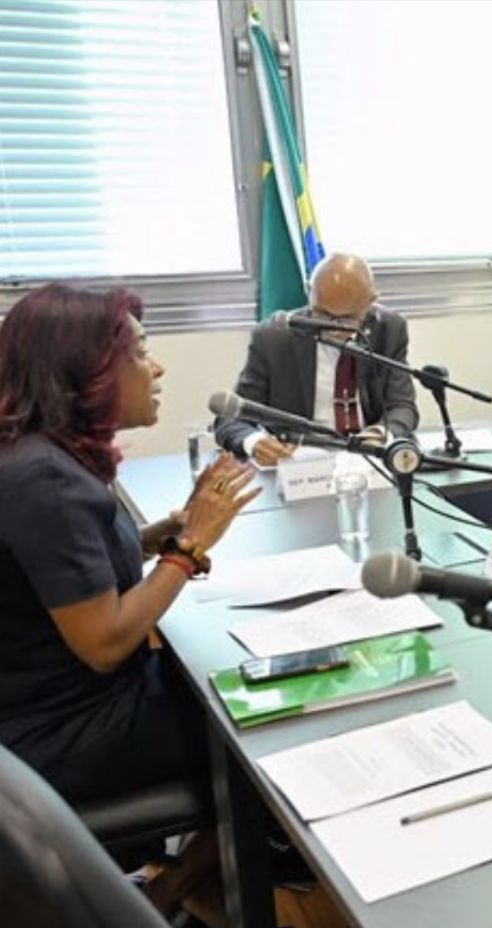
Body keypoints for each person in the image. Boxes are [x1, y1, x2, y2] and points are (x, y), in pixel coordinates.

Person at [0, 284, 259, 920]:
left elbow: (71, 573)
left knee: (235, 674)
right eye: (141, 353)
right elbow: (106, 643)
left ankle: (184, 883)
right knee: (265, 728)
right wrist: (190, 548)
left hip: (48, 705)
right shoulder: (45, 480)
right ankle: (169, 893)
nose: (157, 367)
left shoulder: (40, 456)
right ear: (87, 373)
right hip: (65, 730)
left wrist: (162, 533)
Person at [215, 252, 419, 464]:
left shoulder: (389, 329)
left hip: (368, 461)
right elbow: (230, 418)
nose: (334, 327)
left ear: (370, 302)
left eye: (347, 318)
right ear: (309, 292)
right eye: (322, 314)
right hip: (299, 463)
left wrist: (379, 435)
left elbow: (403, 407)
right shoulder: (274, 337)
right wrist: (255, 442)